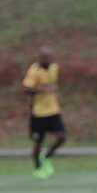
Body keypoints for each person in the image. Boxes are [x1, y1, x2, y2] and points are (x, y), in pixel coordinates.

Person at [21, 45, 67, 179]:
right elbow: (25, 89)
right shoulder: (34, 71)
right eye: (46, 57)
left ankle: (46, 157)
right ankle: (37, 167)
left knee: (62, 136)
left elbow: (53, 85)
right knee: (38, 142)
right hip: (38, 112)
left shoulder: (54, 67)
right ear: (40, 58)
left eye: (50, 57)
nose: (49, 59)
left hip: (53, 109)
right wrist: (43, 91)